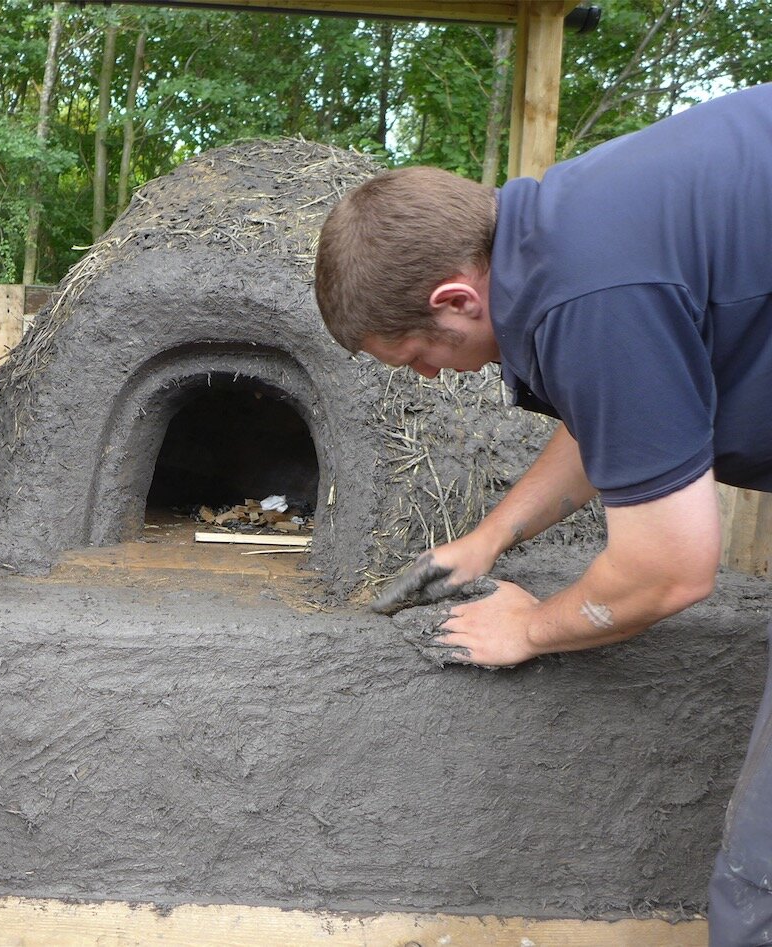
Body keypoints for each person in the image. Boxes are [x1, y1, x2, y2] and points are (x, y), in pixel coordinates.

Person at [314, 82, 772, 944]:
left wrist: (528, 628)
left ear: (456, 298)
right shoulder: (571, 235)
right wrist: (492, 537)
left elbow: (670, 570)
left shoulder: (585, 294)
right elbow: (620, 418)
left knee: (760, 886)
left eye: (416, 353)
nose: (425, 374)